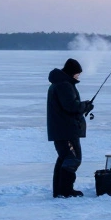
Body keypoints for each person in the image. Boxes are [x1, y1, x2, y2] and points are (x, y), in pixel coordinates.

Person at [47, 58, 94, 198]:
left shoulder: (59, 83)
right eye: (78, 73)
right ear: (72, 72)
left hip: (62, 129)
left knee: (64, 158)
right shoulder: (64, 85)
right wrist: (85, 106)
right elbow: (71, 106)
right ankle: (65, 190)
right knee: (73, 159)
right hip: (66, 130)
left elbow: (69, 105)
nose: (78, 76)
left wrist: (84, 105)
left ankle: (59, 190)